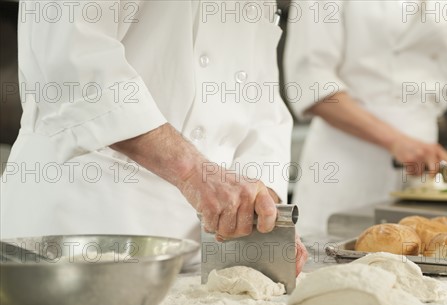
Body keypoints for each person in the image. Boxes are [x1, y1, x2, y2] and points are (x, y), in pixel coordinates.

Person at [1, 1, 307, 272]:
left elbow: (263, 107)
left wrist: (259, 208)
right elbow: (73, 66)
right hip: (81, 228)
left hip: (208, 250)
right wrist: (193, 174)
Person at [285, 0, 447, 235]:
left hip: (423, 180)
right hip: (343, 172)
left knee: (413, 261)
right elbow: (312, 81)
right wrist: (397, 142)